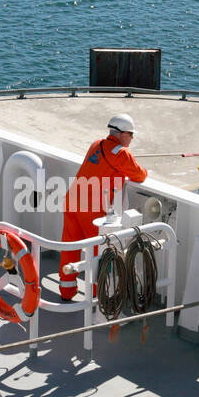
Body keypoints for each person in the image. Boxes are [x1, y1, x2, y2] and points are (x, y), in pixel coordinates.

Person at [58, 114, 148, 300]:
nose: (132, 138)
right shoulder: (122, 153)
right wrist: (145, 170)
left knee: (70, 247)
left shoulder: (96, 144)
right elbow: (139, 176)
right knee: (98, 253)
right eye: (131, 134)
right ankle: (98, 295)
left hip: (73, 200)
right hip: (92, 210)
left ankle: (66, 291)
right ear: (122, 134)